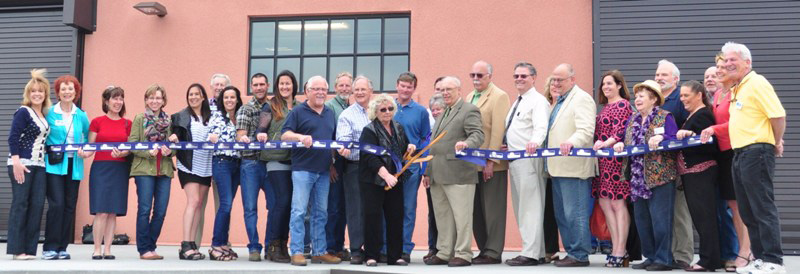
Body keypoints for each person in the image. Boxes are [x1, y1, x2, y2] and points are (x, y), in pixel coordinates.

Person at [704, 42, 787, 274]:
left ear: (747, 63)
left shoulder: (756, 82)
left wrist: (775, 142)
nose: (728, 64)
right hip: (740, 153)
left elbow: (778, 115)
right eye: (726, 60)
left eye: (733, 60)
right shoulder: (738, 88)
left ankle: (773, 261)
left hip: (757, 150)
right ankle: (760, 259)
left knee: (762, 206)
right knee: (748, 210)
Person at [614, 80, 678, 271]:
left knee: (660, 220)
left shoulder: (665, 116)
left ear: (653, 99)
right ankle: (650, 256)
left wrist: (662, 137)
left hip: (660, 176)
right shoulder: (633, 119)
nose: (638, 99)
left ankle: (663, 259)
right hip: (637, 177)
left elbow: (674, 138)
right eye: (637, 95)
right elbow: (623, 138)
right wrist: (618, 144)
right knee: (643, 220)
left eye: (642, 96)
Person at [422, 76, 484, 267]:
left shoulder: (469, 110)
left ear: (459, 89)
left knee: (462, 216)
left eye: (449, 89)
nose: (446, 93)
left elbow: (478, 134)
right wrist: (428, 172)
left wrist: (467, 143)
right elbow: (434, 145)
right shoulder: (443, 112)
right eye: (443, 90)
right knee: (442, 216)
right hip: (438, 173)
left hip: (459, 172)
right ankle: (444, 251)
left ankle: (463, 253)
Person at [281, 75, 343, 266]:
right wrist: (300, 137)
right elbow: (285, 134)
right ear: (307, 91)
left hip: (324, 171)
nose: (320, 93)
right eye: (316, 89)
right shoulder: (298, 111)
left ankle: (319, 251)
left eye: (323, 89)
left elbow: (332, 142)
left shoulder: (330, 113)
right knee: (299, 211)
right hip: (302, 170)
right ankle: (297, 251)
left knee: (320, 213)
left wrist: (335, 158)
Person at [702, 54, 751, 272]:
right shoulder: (718, 95)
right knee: (732, 204)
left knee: (740, 206)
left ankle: (746, 252)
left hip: (735, 150)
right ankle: (741, 251)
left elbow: (735, 122)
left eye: (722, 68)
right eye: (716, 68)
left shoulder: (735, 92)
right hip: (721, 154)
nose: (720, 71)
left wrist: (713, 129)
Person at [545, 63, 597, 267]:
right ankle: (571, 251)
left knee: (575, 213)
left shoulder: (582, 99)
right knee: (562, 214)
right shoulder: (558, 101)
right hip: (557, 166)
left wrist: (571, 142)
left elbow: (585, 130)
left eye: (560, 79)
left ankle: (580, 254)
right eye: (554, 79)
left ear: (572, 80)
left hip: (574, 167)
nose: (556, 83)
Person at [359, 94, 417, 267]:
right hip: (373, 180)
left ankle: (395, 256)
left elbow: (403, 149)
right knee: (372, 218)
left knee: (395, 216)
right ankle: (371, 256)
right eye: (383, 109)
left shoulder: (398, 127)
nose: (387, 112)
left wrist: (410, 147)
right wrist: (386, 176)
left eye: (390, 108)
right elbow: (370, 158)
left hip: (395, 179)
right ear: (375, 112)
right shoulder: (369, 130)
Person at [503, 62, 550, 266]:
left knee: (530, 207)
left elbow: (541, 127)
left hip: (529, 160)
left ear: (533, 78)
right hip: (515, 160)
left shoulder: (538, 101)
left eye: (523, 76)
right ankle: (536, 251)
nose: (519, 79)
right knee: (523, 207)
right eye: (516, 76)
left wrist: (535, 142)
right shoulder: (518, 101)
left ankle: (530, 254)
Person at [464, 61, 510, 265]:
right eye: (472, 75)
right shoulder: (469, 96)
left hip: (491, 164)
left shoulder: (499, 96)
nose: (475, 79)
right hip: (471, 163)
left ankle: (493, 251)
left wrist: (491, 160)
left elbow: (498, 130)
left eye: (480, 75)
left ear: (490, 76)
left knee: (493, 209)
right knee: (476, 209)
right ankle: (483, 248)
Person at [42, 75, 90, 260]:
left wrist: (85, 150)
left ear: (76, 92)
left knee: (70, 206)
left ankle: (62, 247)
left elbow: (86, 137)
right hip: (54, 165)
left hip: (74, 165)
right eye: (63, 89)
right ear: (58, 92)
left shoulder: (81, 115)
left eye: (70, 88)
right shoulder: (50, 113)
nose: (67, 92)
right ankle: (50, 247)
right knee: (57, 204)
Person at [675, 80, 721, 271]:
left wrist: (689, 133)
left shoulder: (703, 115)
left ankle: (708, 260)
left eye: (686, 95)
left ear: (699, 95)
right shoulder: (693, 114)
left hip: (701, 172)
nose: (682, 99)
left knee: (705, 217)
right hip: (691, 174)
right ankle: (709, 259)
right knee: (700, 218)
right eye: (681, 96)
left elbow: (708, 142)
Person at [6, 69, 51, 260]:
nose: (37, 94)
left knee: (37, 205)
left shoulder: (43, 115)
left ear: (45, 94)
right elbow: (13, 137)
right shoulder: (23, 112)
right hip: (22, 163)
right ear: (28, 94)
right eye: (33, 91)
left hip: (39, 165)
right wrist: (16, 161)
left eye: (40, 91)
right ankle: (17, 250)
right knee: (21, 204)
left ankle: (30, 249)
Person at [591, 70, 633, 267]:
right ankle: (615, 246)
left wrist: (603, 144)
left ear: (619, 85)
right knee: (606, 205)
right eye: (603, 84)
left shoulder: (623, 105)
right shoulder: (604, 108)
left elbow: (620, 132)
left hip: (615, 160)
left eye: (610, 83)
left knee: (618, 205)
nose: (606, 87)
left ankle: (621, 250)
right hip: (602, 162)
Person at [257, 70, 299, 263]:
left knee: (289, 204)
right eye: (281, 83)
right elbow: (262, 128)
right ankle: (273, 246)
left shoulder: (300, 106)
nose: (284, 87)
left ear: (293, 85)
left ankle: (283, 244)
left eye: (288, 83)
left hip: (296, 161)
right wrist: (261, 135)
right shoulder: (270, 106)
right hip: (275, 159)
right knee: (281, 202)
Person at [655, 59, 692, 269]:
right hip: (657, 168)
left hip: (678, 164)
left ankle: (683, 257)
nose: (659, 78)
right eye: (657, 74)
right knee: (662, 214)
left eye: (664, 75)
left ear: (676, 79)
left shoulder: (681, 99)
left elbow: (689, 127)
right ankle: (664, 256)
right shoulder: (655, 99)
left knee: (680, 212)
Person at [168, 83, 213, 260]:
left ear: (203, 97)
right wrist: (174, 137)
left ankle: (193, 244)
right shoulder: (181, 116)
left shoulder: (210, 116)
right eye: (190, 94)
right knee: (193, 201)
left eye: (197, 94)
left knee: (199, 204)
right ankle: (185, 245)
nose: (193, 97)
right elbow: (176, 134)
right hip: (188, 164)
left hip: (206, 164)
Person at [129, 84, 174, 260]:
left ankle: (151, 245)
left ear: (163, 101)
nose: (155, 101)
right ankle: (144, 249)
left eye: (158, 98)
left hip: (164, 170)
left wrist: (171, 151)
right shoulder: (140, 118)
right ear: (146, 100)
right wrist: (147, 152)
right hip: (143, 170)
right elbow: (132, 143)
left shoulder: (169, 121)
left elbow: (174, 146)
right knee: (144, 209)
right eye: (151, 98)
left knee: (161, 211)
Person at [87, 86, 132, 260]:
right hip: (101, 168)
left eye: (121, 98)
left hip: (119, 168)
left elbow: (129, 148)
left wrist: (123, 153)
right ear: (106, 101)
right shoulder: (97, 122)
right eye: (115, 98)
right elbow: (90, 147)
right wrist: (83, 153)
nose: (118, 102)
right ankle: (97, 249)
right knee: (101, 211)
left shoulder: (127, 123)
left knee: (113, 211)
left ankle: (108, 249)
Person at [392, 72, 431, 263]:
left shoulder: (421, 111)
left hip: (411, 166)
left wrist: (424, 169)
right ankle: (386, 246)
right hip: (390, 166)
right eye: (402, 85)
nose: (405, 89)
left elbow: (425, 140)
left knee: (408, 207)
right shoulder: (387, 107)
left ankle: (405, 248)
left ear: (414, 89)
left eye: (409, 87)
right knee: (388, 206)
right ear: (397, 85)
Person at [335, 75, 374, 264]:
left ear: (370, 92)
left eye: (363, 89)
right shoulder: (347, 115)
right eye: (356, 90)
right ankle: (357, 250)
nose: (359, 93)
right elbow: (344, 144)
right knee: (355, 209)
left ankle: (375, 248)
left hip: (379, 169)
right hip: (355, 167)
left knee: (377, 208)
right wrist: (348, 150)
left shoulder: (379, 111)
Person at [235, 73, 271, 261]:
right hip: (250, 163)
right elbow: (240, 135)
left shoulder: (273, 107)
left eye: (262, 84)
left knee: (275, 205)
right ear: (251, 86)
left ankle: (271, 244)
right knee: (250, 208)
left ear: (268, 86)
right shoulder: (245, 109)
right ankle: (254, 247)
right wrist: (245, 138)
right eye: (255, 85)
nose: (259, 88)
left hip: (271, 163)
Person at [206, 85, 243, 261]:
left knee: (228, 206)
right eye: (226, 97)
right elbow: (211, 135)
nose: (229, 100)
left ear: (237, 99)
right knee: (225, 204)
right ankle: (215, 245)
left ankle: (222, 244)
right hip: (221, 162)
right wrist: (212, 137)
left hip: (237, 164)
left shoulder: (240, 117)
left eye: (232, 97)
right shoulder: (217, 116)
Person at [195, 73, 232, 245]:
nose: (219, 88)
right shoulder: (202, 107)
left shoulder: (232, 108)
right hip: (202, 161)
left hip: (222, 162)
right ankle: (193, 242)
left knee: (223, 204)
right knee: (198, 204)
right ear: (211, 87)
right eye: (216, 85)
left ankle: (222, 242)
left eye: (222, 85)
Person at [324, 72, 353, 261]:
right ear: (336, 88)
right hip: (335, 162)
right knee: (333, 208)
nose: (344, 88)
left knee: (343, 207)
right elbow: (327, 137)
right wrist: (330, 165)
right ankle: (330, 246)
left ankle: (340, 244)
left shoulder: (352, 107)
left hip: (349, 162)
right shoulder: (329, 107)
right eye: (341, 85)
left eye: (347, 85)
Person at [422, 81, 445, 263]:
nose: (436, 112)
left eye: (439, 109)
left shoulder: (449, 128)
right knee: (433, 213)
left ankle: (447, 247)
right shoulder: (430, 130)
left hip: (449, 174)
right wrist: (426, 173)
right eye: (433, 109)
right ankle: (433, 247)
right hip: (432, 174)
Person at [541, 75, 561, 263]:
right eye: (552, 86)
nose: (555, 88)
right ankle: (549, 248)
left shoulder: (563, 107)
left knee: (561, 209)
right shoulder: (544, 107)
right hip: (544, 165)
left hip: (561, 162)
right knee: (547, 208)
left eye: (558, 85)